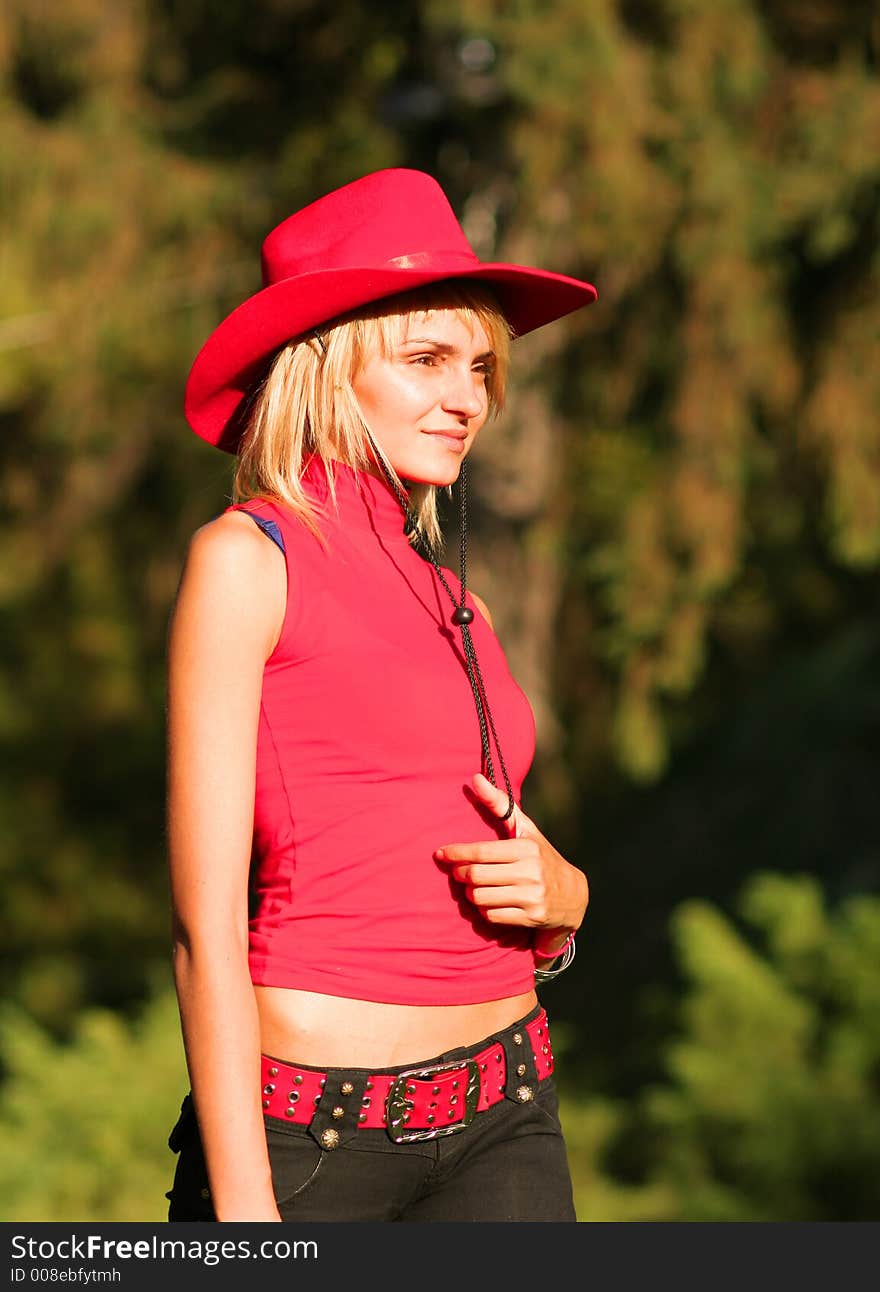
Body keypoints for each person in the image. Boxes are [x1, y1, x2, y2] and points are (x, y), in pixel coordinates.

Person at [164, 167, 597, 1223]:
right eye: (426, 359)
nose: (469, 397)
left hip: (509, 1110)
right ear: (325, 365)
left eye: (482, 366)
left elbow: (500, 861)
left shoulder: (463, 606)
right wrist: (245, 1209)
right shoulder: (246, 560)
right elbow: (202, 924)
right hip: (317, 1141)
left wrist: (565, 903)